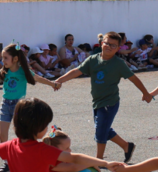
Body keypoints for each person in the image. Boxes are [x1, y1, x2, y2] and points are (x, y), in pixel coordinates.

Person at [53, 31, 152, 161]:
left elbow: (133, 78)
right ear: (101, 43)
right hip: (97, 101)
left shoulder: (119, 63)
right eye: (107, 43)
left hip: (110, 102)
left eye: (113, 45)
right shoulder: (93, 59)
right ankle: (126, 146)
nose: (109, 47)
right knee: (103, 128)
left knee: (100, 131)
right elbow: (77, 71)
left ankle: (98, 160)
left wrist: (145, 93)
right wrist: (60, 80)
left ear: (118, 48)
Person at [0, 43, 60, 172]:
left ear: (15, 59)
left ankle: (28, 159)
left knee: (22, 136)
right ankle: (7, 163)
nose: (3, 61)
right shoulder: (3, 72)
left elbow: (38, 78)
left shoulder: (22, 71)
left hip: (19, 106)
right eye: (2, 58)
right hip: (5, 104)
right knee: (2, 136)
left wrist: (52, 84)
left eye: (5, 58)